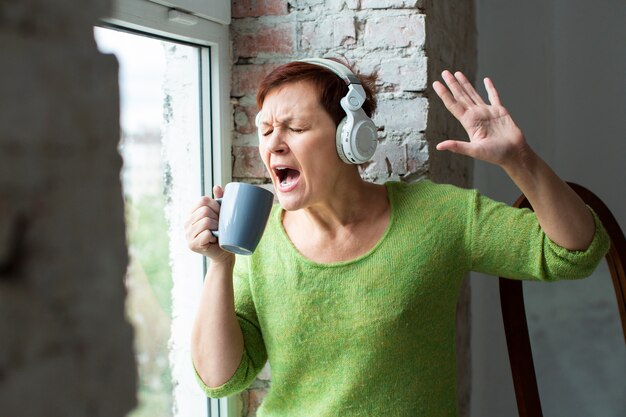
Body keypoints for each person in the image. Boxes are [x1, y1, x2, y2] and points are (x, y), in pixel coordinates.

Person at [184, 58, 610, 416]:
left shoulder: (440, 216)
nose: (273, 145)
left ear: (351, 138)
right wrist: (220, 264)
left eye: (294, 128)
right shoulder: (258, 240)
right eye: (265, 130)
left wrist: (520, 161)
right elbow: (221, 379)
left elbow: (574, 252)